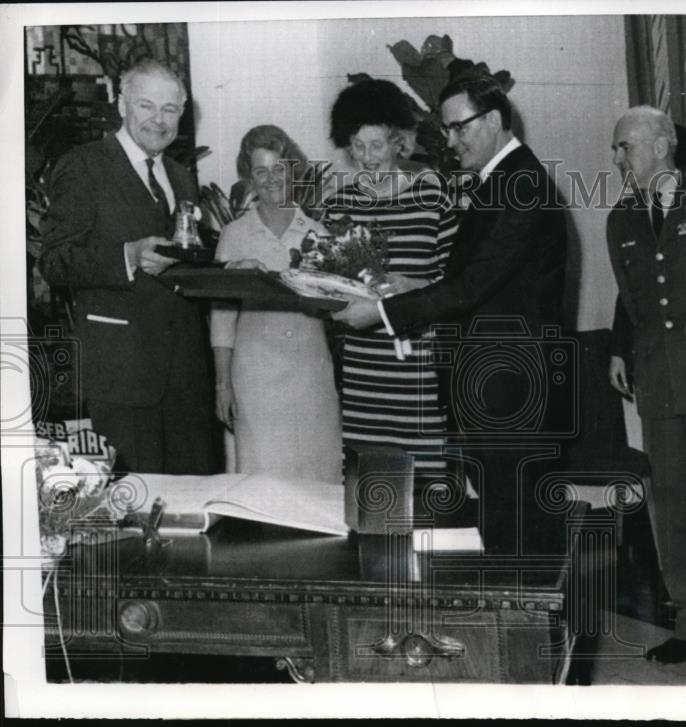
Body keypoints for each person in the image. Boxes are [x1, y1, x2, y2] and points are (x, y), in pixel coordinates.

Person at [332, 74, 567, 555]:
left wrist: (382, 311)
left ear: (495, 121)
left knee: (517, 533)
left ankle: (523, 628)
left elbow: (471, 288)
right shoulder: (500, 179)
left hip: (508, 388)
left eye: (459, 129)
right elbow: (478, 280)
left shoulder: (519, 184)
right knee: (507, 522)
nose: (452, 141)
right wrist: (412, 286)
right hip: (496, 386)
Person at [39, 58, 215, 474]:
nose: (159, 120)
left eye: (170, 109)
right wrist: (128, 256)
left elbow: (183, 259)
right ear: (122, 105)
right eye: (146, 105)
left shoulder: (181, 175)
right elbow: (55, 260)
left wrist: (225, 265)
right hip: (121, 372)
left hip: (185, 373)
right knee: (132, 506)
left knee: (189, 506)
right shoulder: (83, 166)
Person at [606, 106, 686, 664]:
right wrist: (616, 349)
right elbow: (631, 293)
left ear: (660, 143)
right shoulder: (623, 216)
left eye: (623, 145)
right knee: (674, 507)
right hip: (656, 376)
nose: (617, 157)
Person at [321, 80, 457, 493]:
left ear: (399, 142)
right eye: (357, 147)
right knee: (371, 499)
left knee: (427, 496)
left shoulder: (433, 194)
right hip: (364, 374)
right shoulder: (339, 204)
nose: (366, 158)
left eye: (376, 145)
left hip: (419, 371)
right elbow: (328, 287)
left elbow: (458, 283)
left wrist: (409, 286)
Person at [210, 125, 342, 482]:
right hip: (255, 377)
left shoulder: (319, 233)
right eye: (260, 171)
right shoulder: (234, 234)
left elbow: (337, 306)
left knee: (316, 475)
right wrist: (223, 384)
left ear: (292, 170)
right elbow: (222, 315)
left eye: (278, 169)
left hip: (310, 371)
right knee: (262, 476)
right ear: (249, 177)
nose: (271, 179)